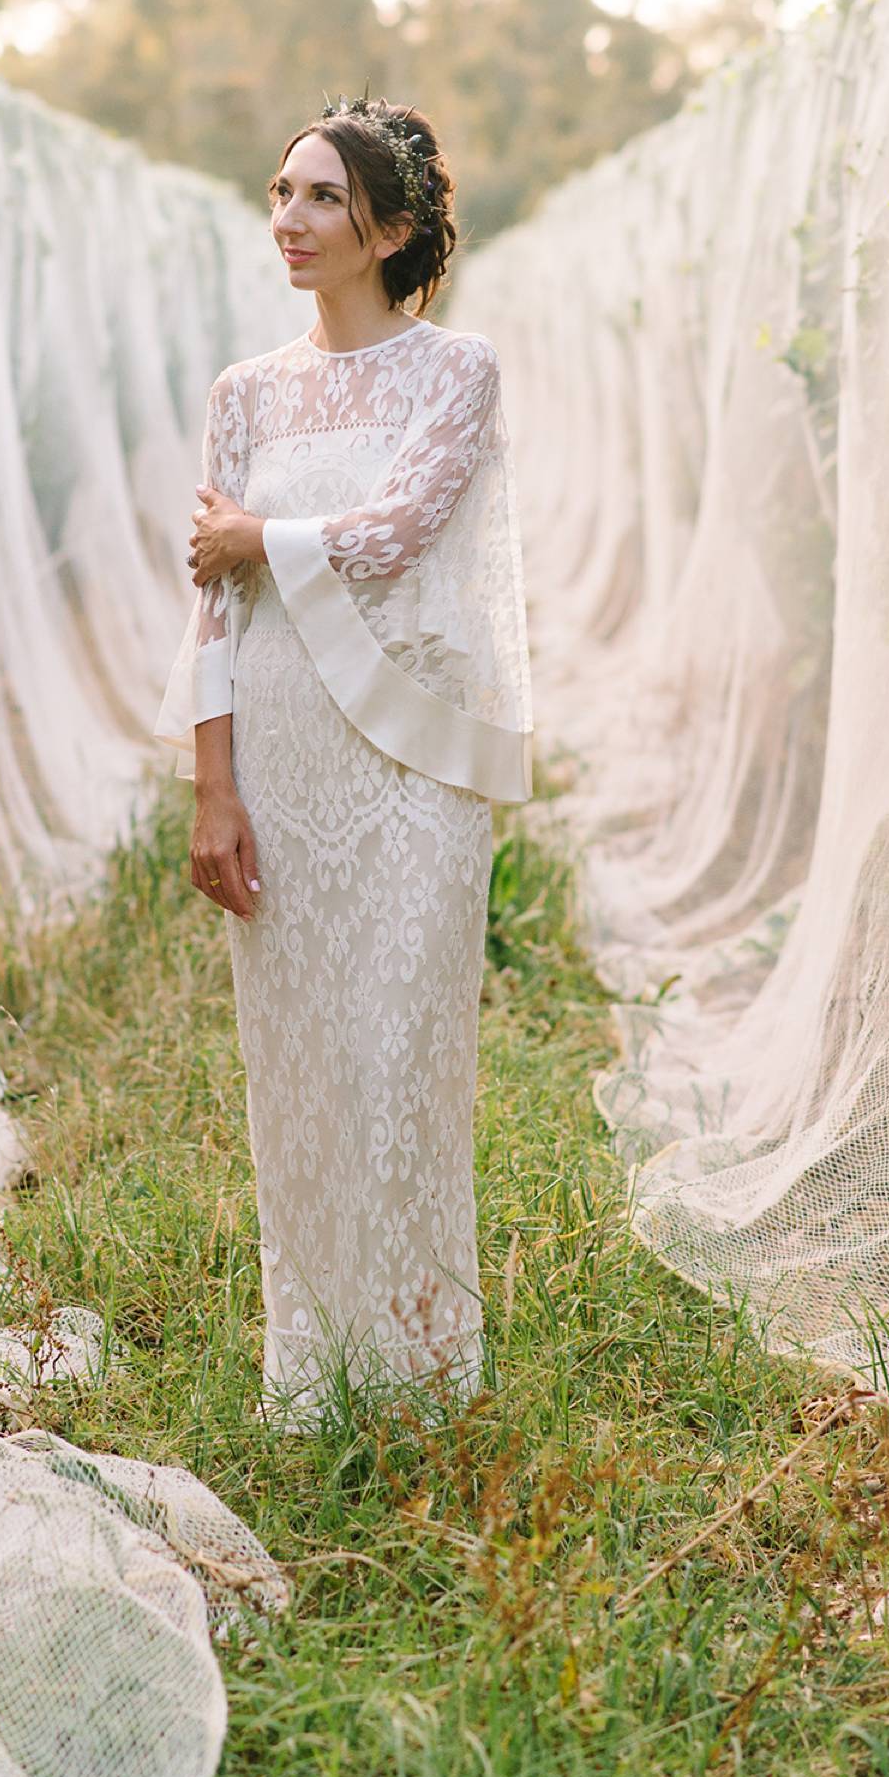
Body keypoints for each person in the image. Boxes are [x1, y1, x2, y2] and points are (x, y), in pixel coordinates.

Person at [175, 103, 529, 1417]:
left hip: (412, 757)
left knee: (404, 1049)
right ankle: (314, 1368)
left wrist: (257, 535)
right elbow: (207, 612)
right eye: (280, 190)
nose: (290, 218)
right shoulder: (243, 394)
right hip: (277, 751)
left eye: (322, 196)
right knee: (303, 1062)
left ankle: (422, 1372)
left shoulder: (458, 368)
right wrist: (213, 789)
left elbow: (396, 529)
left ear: (388, 225)